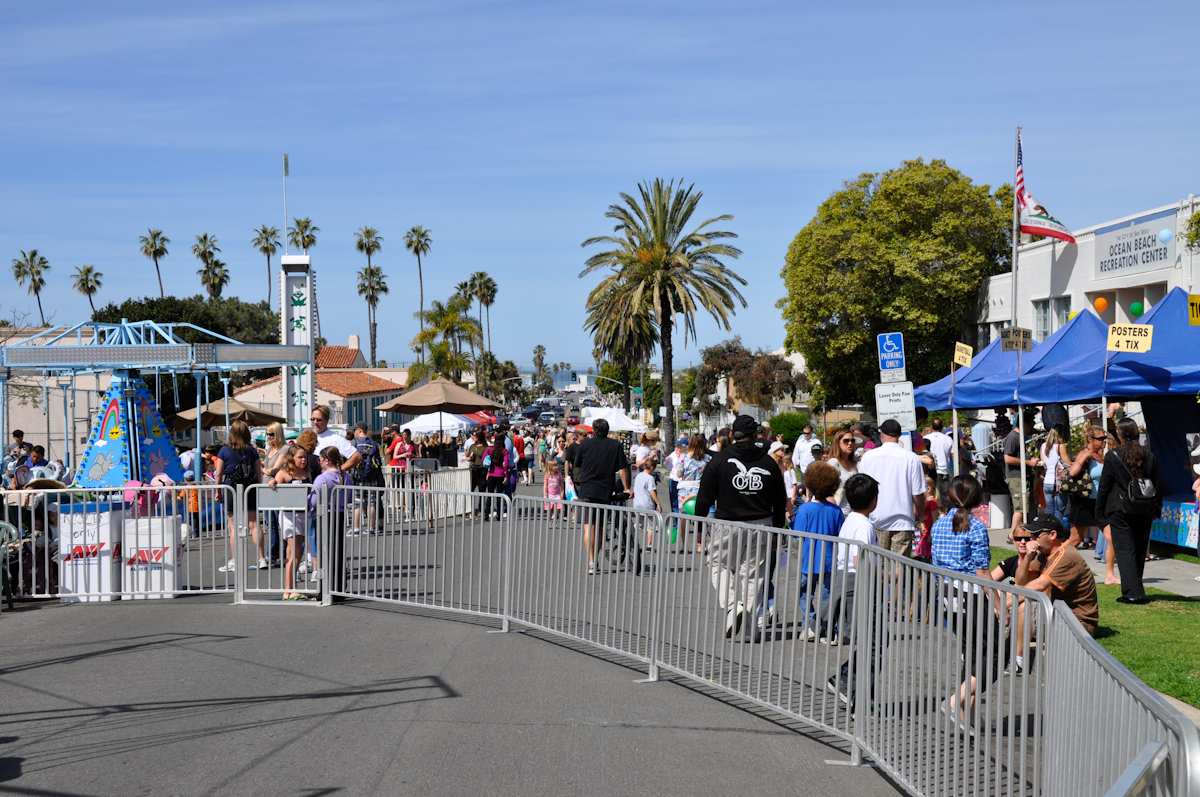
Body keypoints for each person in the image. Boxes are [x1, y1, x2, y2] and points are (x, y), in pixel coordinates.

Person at [694, 415, 787, 642]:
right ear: (755, 434)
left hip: (728, 523)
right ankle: (749, 625)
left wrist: (699, 525)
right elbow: (780, 499)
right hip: (762, 524)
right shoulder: (768, 463)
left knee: (718, 564)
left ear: (732, 435)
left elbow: (704, 497)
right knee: (754, 575)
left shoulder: (719, 461)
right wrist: (777, 530)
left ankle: (732, 605)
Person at [930, 475, 999, 728]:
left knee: (969, 651)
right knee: (992, 654)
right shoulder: (977, 527)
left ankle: (965, 713)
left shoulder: (939, 524)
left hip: (948, 592)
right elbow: (982, 571)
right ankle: (955, 700)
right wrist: (998, 604)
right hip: (971, 594)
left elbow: (936, 559)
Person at [826, 473, 879, 706]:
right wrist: (885, 575)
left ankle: (848, 681)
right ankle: (850, 686)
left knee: (871, 639)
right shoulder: (864, 526)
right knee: (872, 639)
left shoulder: (851, 520)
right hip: (856, 582)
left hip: (847, 580)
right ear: (873, 500)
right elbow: (860, 559)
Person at [1098, 418, 1162, 605]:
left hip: (1120, 508)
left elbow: (1104, 487)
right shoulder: (1149, 455)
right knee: (1140, 549)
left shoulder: (1113, 455)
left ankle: (1132, 592)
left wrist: (1100, 514)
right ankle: (1136, 587)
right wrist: (1157, 508)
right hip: (1144, 507)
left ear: (1120, 434)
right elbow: (1157, 485)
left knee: (1125, 550)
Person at [1013, 513, 1099, 635]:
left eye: (1036, 535)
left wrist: (1007, 603)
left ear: (1052, 535)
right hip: (1058, 614)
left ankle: (1016, 653)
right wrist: (1027, 557)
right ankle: (1010, 648)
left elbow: (1039, 585)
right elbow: (1020, 582)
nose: (1031, 540)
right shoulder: (1044, 554)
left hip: (1078, 623)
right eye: (1031, 535)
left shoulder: (1066, 555)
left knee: (1022, 610)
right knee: (1018, 608)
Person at [857, 419, 925, 557]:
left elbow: (861, 486)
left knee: (878, 564)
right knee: (899, 568)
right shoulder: (911, 458)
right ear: (899, 435)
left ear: (881, 434)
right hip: (903, 520)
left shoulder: (868, 457)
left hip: (876, 518)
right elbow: (917, 493)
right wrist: (921, 515)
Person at [792, 461, 844, 641]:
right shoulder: (836, 511)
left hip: (807, 560)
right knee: (825, 596)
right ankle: (823, 627)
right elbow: (840, 533)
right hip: (829, 561)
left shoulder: (805, 509)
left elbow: (797, 534)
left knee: (805, 594)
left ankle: (810, 624)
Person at [571, 418, 630, 575]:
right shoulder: (615, 446)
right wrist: (626, 488)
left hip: (586, 490)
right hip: (605, 491)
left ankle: (590, 560)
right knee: (601, 528)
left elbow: (577, 465)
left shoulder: (584, 445)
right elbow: (623, 469)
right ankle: (595, 558)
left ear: (594, 430)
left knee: (587, 527)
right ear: (607, 430)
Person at [215, 420, 264, 573]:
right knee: (254, 524)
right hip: (250, 487)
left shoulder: (224, 451)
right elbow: (258, 472)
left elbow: (219, 473)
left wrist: (218, 491)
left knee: (233, 526)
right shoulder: (252, 450)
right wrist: (257, 485)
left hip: (232, 488)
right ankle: (262, 558)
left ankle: (236, 560)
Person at [1068, 425, 1112, 581]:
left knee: (1110, 536)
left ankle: (1110, 574)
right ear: (1090, 439)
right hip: (1083, 503)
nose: (1104, 441)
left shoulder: (1100, 456)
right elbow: (1072, 472)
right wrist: (1082, 460)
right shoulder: (1085, 454)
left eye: (1104, 438)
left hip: (1099, 503)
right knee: (1075, 540)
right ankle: (1054, 561)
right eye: (1100, 439)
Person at [269, 445, 310, 600]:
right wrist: (273, 482)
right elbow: (274, 483)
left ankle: (291, 588)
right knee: (293, 552)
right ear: (292, 458)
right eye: (300, 457)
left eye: (305, 457)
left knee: (295, 552)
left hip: (303, 515)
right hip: (288, 516)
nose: (304, 460)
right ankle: (288, 589)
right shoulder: (285, 473)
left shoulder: (307, 472)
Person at [312, 446, 350, 593]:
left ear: (326, 461)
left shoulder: (322, 479)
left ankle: (325, 589)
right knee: (338, 552)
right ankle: (339, 588)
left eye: (321, 460)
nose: (320, 463)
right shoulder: (345, 476)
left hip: (325, 515)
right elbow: (350, 496)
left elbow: (314, 500)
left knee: (325, 552)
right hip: (340, 514)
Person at [1003, 408, 1041, 537]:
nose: (1032, 427)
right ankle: (1012, 534)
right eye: (1031, 424)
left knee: (1024, 507)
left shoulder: (1022, 437)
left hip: (1023, 476)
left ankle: (1020, 531)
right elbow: (1007, 458)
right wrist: (1028, 462)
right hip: (1016, 477)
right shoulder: (1013, 437)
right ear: (1024, 424)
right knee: (1020, 508)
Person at [262, 422, 291, 565]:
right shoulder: (270, 450)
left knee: (279, 523)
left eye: (271, 434)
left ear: (278, 434)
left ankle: (280, 554)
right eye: (267, 434)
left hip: (277, 489)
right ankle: (273, 554)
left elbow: (272, 470)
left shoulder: (285, 449)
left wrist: (262, 468)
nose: (268, 437)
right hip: (266, 489)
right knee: (270, 523)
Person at [310, 405, 361, 474]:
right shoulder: (307, 437)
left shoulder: (336, 438)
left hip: (326, 481)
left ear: (326, 420)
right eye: (312, 419)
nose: (315, 422)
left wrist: (338, 470)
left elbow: (356, 457)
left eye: (319, 420)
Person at [1040, 428, 1070, 528]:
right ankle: (1058, 533)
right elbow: (1067, 464)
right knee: (1059, 510)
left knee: (1049, 510)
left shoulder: (1043, 446)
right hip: (1058, 482)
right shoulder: (1060, 446)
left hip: (1047, 481)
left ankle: (1048, 531)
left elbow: (1043, 464)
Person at [828, 429, 859, 516]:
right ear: (838, 443)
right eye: (846, 441)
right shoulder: (833, 463)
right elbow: (826, 490)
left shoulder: (855, 464)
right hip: (837, 511)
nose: (850, 443)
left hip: (852, 512)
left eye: (852, 440)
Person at [925, 418, 955, 499]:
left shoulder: (925, 438)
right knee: (944, 496)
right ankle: (943, 511)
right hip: (944, 470)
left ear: (931, 426)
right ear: (942, 427)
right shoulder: (948, 439)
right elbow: (953, 455)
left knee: (931, 495)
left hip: (930, 471)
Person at [632, 458, 660, 547]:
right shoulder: (650, 478)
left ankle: (633, 542)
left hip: (637, 504)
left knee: (639, 524)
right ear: (652, 468)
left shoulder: (638, 475)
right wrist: (658, 503)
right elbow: (652, 492)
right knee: (650, 527)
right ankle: (649, 545)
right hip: (647, 505)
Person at [769, 441, 798, 520]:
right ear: (775, 451)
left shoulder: (781, 463)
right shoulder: (770, 463)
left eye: (784, 450)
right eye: (781, 450)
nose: (784, 452)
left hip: (782, 493)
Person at [665, 437, 687, 516]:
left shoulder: (687, 455)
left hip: (683, 482)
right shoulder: (673, 455)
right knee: (674, 502)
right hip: (674, 480)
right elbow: (668, 467)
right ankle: (675, 522)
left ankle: (682, 522)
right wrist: (667, 462)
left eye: (680, 447)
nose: (678, 448)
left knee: (683, 503)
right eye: (677, 446)